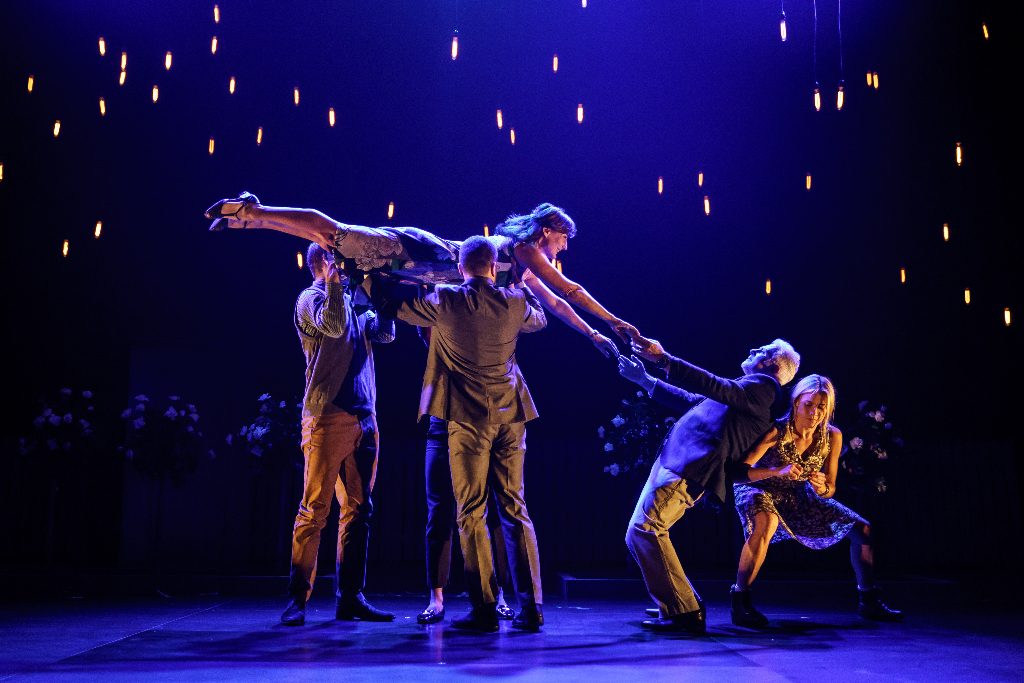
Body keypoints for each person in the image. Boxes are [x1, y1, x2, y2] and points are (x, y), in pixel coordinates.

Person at [372, 236, 548, 632]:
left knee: (471, 511)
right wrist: (523, 286)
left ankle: (484, 608)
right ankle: (532, 608)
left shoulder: (446, 299)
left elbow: (394, 307)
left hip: (468, 420)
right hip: (511, 416)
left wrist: (368, 280)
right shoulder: (513, 301)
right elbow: (540, 318)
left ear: (460, 268)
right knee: (515, 508)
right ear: (493, 267)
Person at [203, 193, 633, 347]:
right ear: (549, 231)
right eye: (564, 239)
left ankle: (250, 219)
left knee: (331, 240)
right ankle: (254, 211)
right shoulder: (525, 250)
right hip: (414, 251)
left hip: (408, 271)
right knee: (333, 233)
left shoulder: (524, 268)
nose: (564, 248)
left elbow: (557, 304)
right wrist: (616, 322)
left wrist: (595, 334)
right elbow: (569, 290)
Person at [619, 338, 800, 633]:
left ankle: (685, 611)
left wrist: (664, 359)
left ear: (772, 365)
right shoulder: (747, 391)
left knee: (646, 530)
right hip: (678, 462)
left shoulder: (763, 388)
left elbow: (711, 384)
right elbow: (695, 402)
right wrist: (645, 380)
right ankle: (680, 604)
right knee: (640, 532)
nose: (753, 349)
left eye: (763, 351)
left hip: (688, 467)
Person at [280, 243, 396, 626]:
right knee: (314, 510)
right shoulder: (310, 298)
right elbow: (331, 326)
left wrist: (385, 300)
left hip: (365, 417)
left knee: (359, 511)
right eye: (337, 258)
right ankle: (297, 599)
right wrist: (332, 283)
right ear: (323, 261)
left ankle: (351, 597)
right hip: (327, 416)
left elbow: (384, 335)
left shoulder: (352, 299)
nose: (346, 265)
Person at [730, 374, 903, 627]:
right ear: (796, 402)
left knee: (863, 529)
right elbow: (738, 474)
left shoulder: (832, 436)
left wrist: (822, 487)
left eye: (821, 407)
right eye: (809, 405)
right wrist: (776, 471)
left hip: (796, 494)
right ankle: (740, 600)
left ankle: (868, 599)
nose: (814, 413)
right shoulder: (777, 432)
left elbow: (830, 488)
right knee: (767, 523)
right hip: (758, 488)